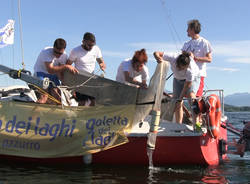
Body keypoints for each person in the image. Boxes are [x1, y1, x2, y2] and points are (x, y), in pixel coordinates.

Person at [154, 51, 200, 128]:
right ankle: (178, 126)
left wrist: (180, 98)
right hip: (177, 79)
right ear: (177, 62)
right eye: (179, 67)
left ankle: (197, 125)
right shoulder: (173, 57)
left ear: (187, 66)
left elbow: (186, 86)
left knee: (191, 98)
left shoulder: (191, 70)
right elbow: (156, 53)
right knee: (176, 102)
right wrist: (158, 58)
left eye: (183, 68)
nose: (180, 69)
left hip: (193, 79)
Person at [33, 38, 78, 103]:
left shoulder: (64, 55)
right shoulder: (46, 52)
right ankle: (35, 112)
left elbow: (60, 72)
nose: (57, 55)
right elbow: (50, 70)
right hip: (41, 73)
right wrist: (66, 66)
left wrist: (71, 89)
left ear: (64, 50)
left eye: (60, 53)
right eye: (56, 52)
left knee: (58, 98)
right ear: (53, 47)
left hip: (54, 75)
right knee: (44, 96)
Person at [182, 19, 212, 97]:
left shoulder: (204, 42)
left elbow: (209, 59)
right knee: (183, 97)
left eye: (188, 29)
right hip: (186, 75)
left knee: (196, 97)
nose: (186, 31)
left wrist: (195, 58)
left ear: (193, 29)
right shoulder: (186, 44)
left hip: (199, 74)